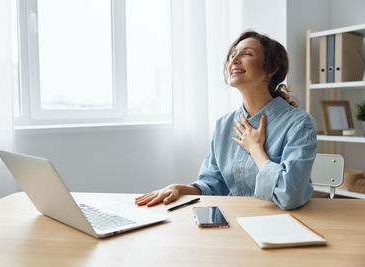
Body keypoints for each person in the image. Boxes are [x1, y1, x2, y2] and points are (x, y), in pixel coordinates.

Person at [135, 31, 317, 210]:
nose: (234, 60)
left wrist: (256, 149)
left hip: (284, 226)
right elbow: (213, 184)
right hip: (234, 221)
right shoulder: (224, 125)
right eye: (232, 55)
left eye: (247, 54)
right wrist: (181, 189)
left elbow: (290, 196)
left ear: (271, 68)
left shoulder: (299, 124)